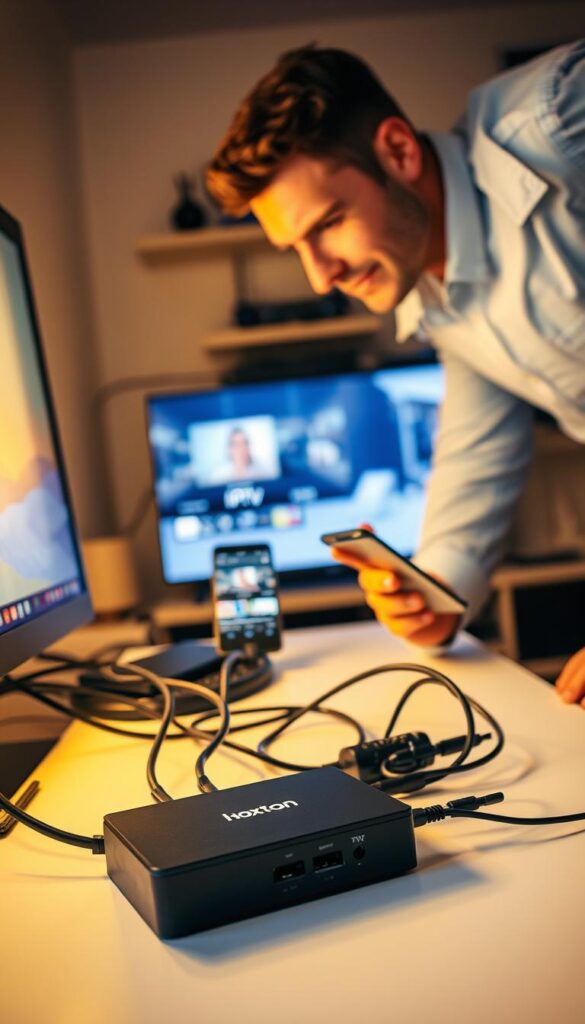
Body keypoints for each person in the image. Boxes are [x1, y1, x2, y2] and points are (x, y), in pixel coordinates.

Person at [207, 42, 585, 707]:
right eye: (295, 247)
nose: (319, 275)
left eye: (327, 223)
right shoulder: (443, 304)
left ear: (398, 153)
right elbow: (478, 452)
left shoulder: (557, 117)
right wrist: (435, 592)